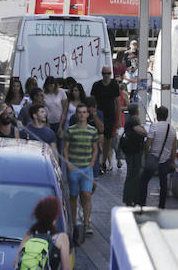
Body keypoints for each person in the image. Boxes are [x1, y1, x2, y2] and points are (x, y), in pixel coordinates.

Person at [62, 103, 100, 243]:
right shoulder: (70, 131)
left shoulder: (92, 131)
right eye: (80, 112)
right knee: (73, 195)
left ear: (87, 114)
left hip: (86, 168)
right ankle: (73, 221)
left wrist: (92, 163)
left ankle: (86, 222)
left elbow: (95, 148)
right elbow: (65, 148)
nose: (82, 114)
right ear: (76, 114)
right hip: (74, 167)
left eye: (84, 112)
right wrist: (68, 164)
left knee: (86, 194)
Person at [16, 195, 70, 270]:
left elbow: (16, 262)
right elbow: (67, 268)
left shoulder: (29, 234)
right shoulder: (62, 238)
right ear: (55, 216)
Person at [138, 106, 176, 209]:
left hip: (153, 158)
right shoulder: (172, 130)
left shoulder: (154, 127)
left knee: (143, 181)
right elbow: (174, 148)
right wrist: (172, 160)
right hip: (165, 161)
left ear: (157, 115)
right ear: (167, 116)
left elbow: (147, 144)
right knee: (163, 184)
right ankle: (161, 206)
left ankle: (142, 204)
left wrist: (147, 156)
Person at [90, 66, 122, 175]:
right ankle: (99, 161)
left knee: (108, 139)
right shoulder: (97, 85)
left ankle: (103, 161)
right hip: (99, 114)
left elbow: (117, 103)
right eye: (105, 73)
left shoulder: (114, 85)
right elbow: (92, 100)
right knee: (99, 139)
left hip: (110, 115)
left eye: (108, 73)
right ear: (102, 73)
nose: (106, 75)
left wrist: (118, 120)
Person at [119, 104, 148, 205]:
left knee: (133, 175)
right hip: (134, 152)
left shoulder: (130, 121)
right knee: (133, 175)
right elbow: (144, 133)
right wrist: (141, 126)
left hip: (131, 151)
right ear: (137, 111)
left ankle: (131, 198)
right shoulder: (133, 122)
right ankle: (130, 199)